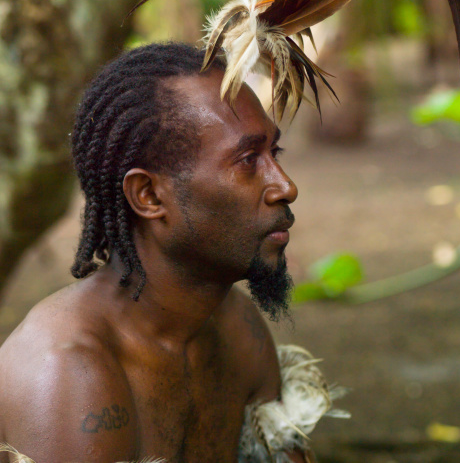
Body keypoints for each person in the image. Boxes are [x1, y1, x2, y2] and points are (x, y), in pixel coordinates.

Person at [0, 42, 339, 463]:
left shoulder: (238, 330)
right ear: (148, 195)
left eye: (275, 152)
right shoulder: (68, 373)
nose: (285, 186)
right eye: (248, 159)